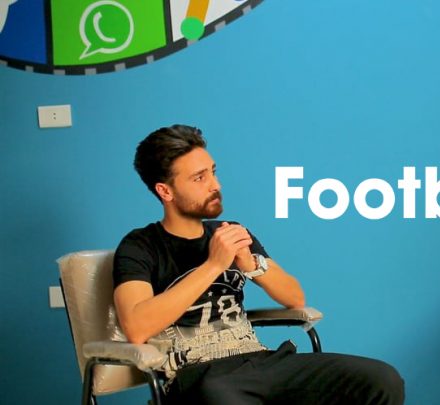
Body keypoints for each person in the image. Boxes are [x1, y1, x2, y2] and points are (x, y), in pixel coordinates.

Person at [113, 124, 405, 405]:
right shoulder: (140, 246)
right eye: (199, 178)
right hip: (197, 377)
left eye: (213, 172)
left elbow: (295, 298)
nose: (216, 185)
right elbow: (137, 328)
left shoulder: (231, 232)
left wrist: (250, 263)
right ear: (165, 191)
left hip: (258, 361)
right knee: (221, 396)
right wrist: (213, 265)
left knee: (382, 379)